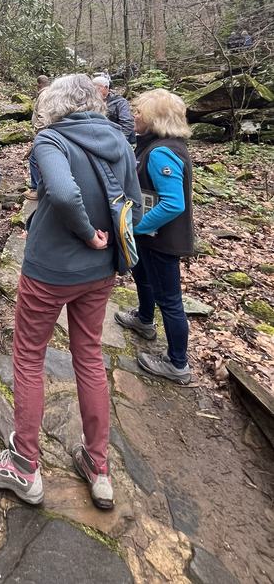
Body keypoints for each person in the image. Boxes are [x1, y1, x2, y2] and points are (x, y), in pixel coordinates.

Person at [0, 75, 142, 510]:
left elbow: (64, 193)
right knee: (88, 357)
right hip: (100, 273)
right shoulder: (121, 142)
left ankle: (25, 465)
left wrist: (86, 232)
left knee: (29, 357)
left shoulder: (51, 139)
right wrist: (106, 244)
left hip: (49, 272)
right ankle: (98, 467)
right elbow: (136, 205)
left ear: (55, 103)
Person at [115, 89, 195, 384]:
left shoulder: (161, 151)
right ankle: (145, 319)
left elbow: (173, 203)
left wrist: (136, 227)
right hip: (151, 236)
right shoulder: (158, 145)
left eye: (139, 111)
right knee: (144, 278)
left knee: (170, 301)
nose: (134, 115)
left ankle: (177, 363)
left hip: (161, 239)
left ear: (154, 118)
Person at [25, 74, 51, 200]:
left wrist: (37, 131)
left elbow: (43, 118)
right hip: (48, 132)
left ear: (39, 84)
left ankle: (36, 190)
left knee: (34, 159)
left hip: (43, 132)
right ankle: (43, 187)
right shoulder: (49, 93)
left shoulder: (44, 95)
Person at [92, 74, 136, 144]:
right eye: (93, 89)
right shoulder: (92, 102)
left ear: (106, 88)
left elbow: (127, 122)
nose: (95, 92)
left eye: (98, 89)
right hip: (99, 139)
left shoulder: (120, 102)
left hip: (117, 138)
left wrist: (121, 140)